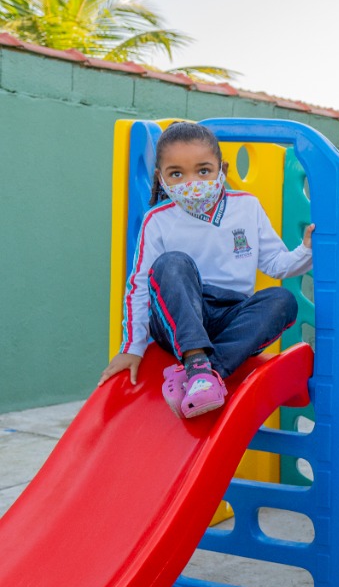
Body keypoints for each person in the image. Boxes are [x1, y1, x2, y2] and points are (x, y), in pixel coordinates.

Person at [99, 122, 314, 419]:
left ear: (221, 169)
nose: (192, 182)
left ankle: (204, 374)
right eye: (177, 174)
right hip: (179, 318)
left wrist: (306, 250)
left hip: (231, 318)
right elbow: (138, 285)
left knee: (282, 301)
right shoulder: (158, 220)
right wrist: (132, 347)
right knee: (173, 262)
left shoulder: (247, 208)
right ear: (161, 178)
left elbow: (277, 263)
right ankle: (195, 361)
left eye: (203, 171)